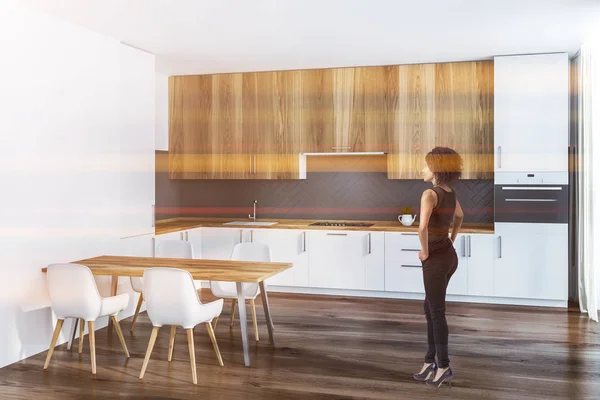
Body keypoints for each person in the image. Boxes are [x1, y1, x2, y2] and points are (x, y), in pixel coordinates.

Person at [412, 147, 464, 388]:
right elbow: (460, 216)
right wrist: (452, 239)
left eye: (425, 165)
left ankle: (443, 366)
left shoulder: (429, 193)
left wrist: (424, 251)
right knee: (430, 307)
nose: (422, 169)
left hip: (435, 258)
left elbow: (422, 227)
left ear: (434, 169)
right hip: (449, 257)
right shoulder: (450, 192)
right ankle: (429, 361)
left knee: (436, 313)